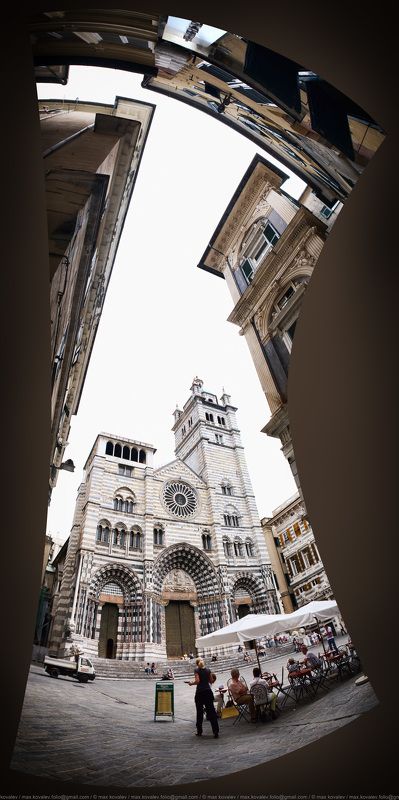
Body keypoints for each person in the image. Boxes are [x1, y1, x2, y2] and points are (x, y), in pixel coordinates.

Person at [185, 659, 219, 738]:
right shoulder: (208, 670)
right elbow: (211, 680)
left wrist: (191, 683)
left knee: (199, 712)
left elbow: (197, 681)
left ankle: (199, 731)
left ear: (197, 664)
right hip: (208, 692)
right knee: (212, 712)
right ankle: (216, 731)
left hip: (200, 693)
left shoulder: (196, 670)